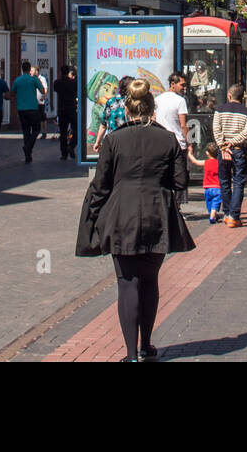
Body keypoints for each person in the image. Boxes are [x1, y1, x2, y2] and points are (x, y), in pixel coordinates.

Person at [75, 79, 196, 362]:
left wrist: (92, 218)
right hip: (157, 214)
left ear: (127, 109)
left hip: (122, 216)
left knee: (127, 282)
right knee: (150, 280)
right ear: (152, 108)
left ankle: (130, 354)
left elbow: (101, 185)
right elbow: (181, 181)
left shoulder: (114, 139)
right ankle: (147, 344)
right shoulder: (167, 139)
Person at [212, 83, 247, 228]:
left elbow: (216, 129)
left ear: (229, 96)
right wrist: (233, 142)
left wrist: (223, 145)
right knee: (238, 182)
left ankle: (227, 213)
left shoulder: (220, 110)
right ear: (242, 97)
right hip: (238, 150)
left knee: (224, 181)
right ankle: (234, 216)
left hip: (224, 150)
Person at [12, 61, 43, 164]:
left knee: (26, 131)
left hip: (21, 110)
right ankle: (28, 147)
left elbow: (12, 93)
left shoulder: (17, 80)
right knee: (36, 129)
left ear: (22, 69)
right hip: (33, 109)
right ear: (30, 69)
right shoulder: (33, 79)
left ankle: (27, 155)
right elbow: (42, 91)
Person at [93, 75, 132, 153]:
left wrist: (97, 142)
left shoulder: (111, 102)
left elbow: (103, 125)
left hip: (113, 143)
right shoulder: (134, 102)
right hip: (130, 144)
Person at [153, 72, 189, 153]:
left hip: (161, 143)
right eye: (182, 85)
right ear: (173, 84)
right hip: (178, 144)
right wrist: (189, 144)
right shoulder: (181, 100)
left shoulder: (157, 99)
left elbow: (153, 119)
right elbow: (183, 125)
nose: (185, 88)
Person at [189, 142, 223, 223]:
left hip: (207, 187)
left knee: (209, 203)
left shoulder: (206, 162)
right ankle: (213, 216)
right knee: (216, 202)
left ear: (207, 153)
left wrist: (189, 154)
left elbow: (195, 161)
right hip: (217, 187)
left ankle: (213, 215)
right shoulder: (219, 163)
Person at [55, 66, 78, 160]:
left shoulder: (57, 83)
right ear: (68, 72)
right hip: (71, 109)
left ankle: (63, 153)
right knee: (76, 129)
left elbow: (56, 90)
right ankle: (71, 146)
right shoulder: (73, 82)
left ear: (60, 72)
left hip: (62, 109)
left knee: (63, 132)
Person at [32, 64, 49, 140]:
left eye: (32, 70)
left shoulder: (42, 79)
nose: (31, 72)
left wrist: (43, 96)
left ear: (37, 71)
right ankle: (34, 132)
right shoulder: (31, 79)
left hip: (40, 101)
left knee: (42, 117)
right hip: (33, 101)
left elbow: (45, 89)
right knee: (34, 117)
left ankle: (44, 133)